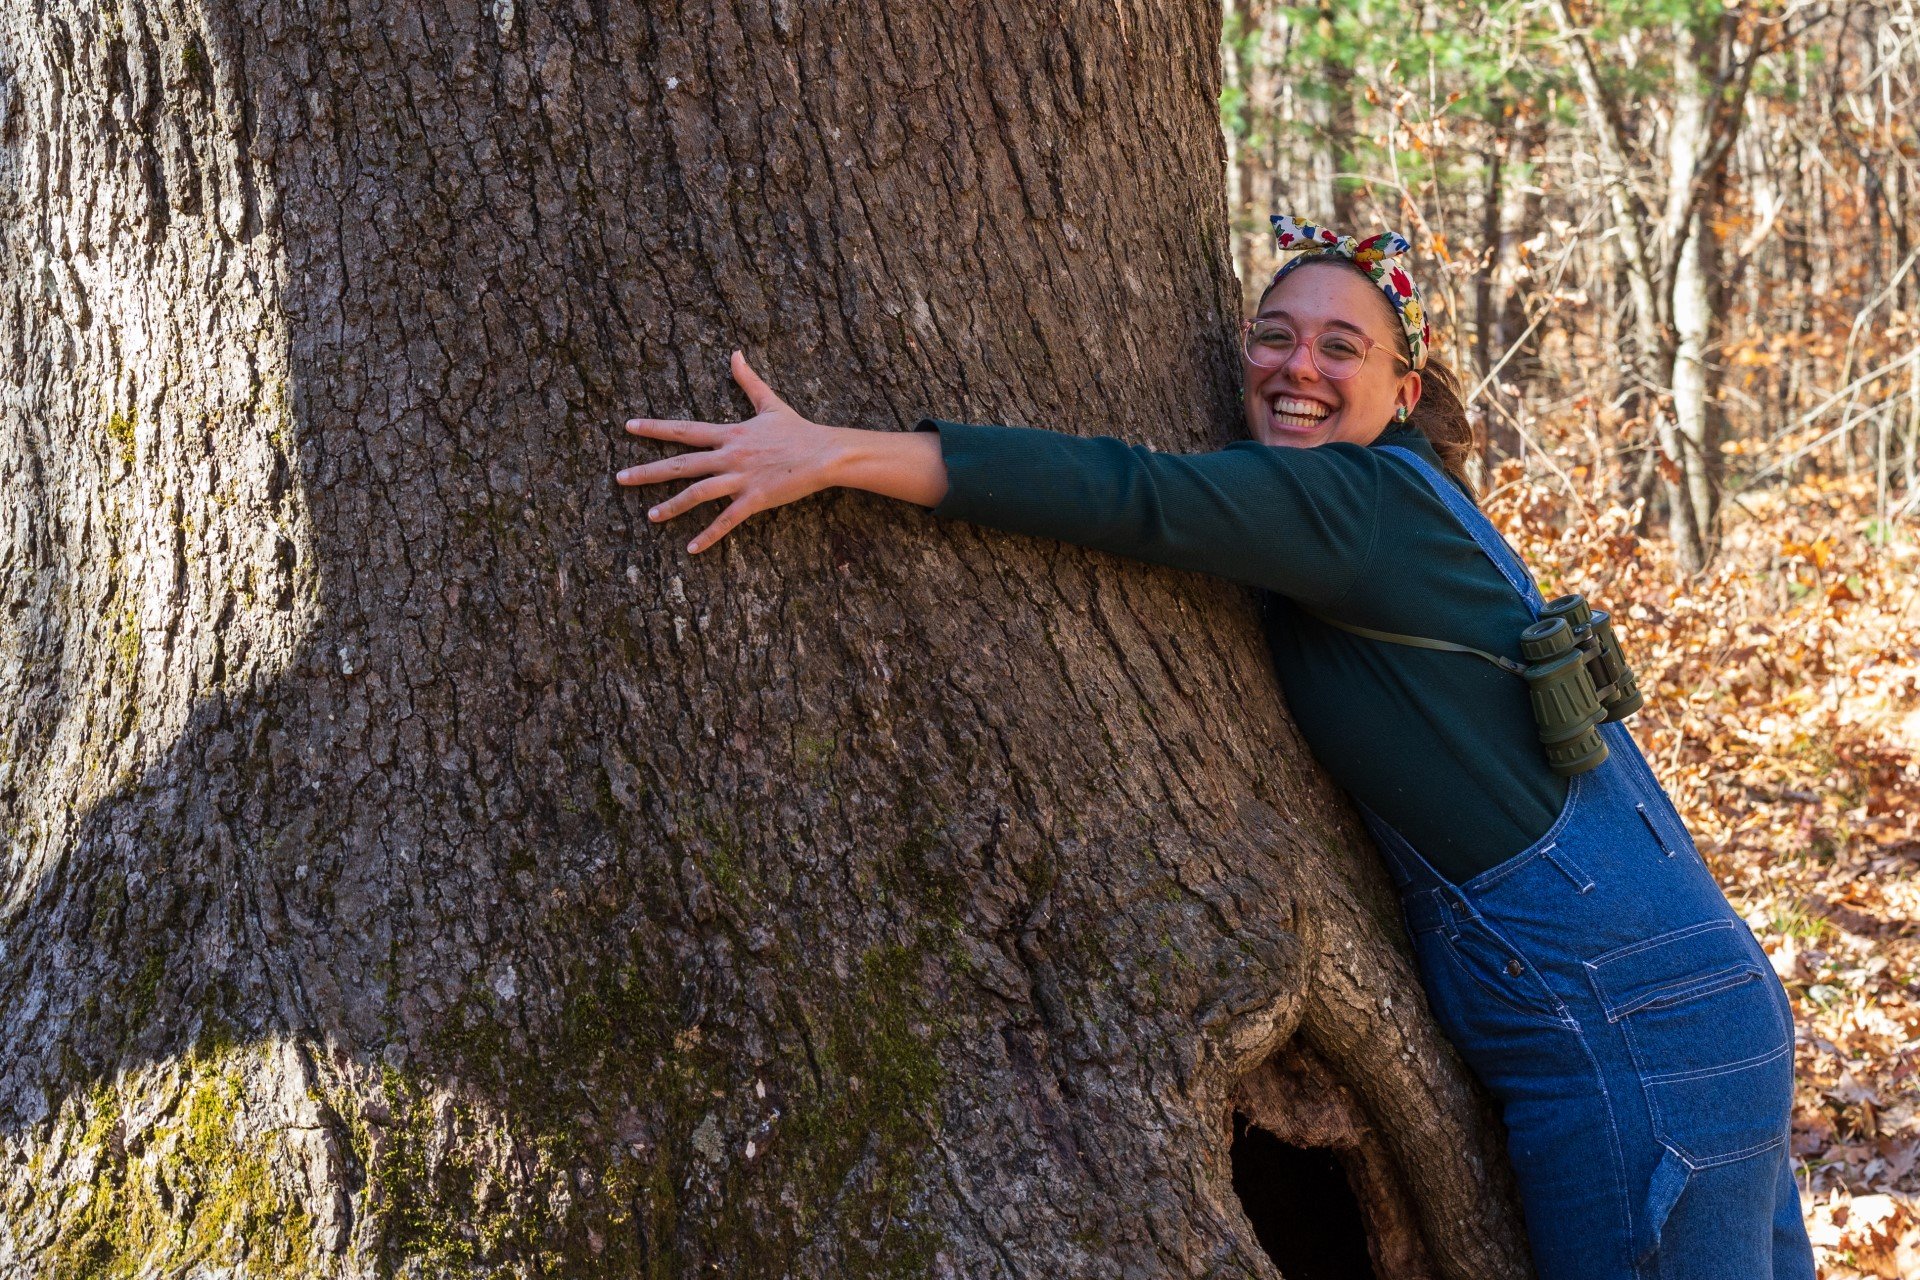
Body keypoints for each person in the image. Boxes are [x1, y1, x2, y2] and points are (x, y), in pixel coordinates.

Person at [615, 214, 1817, 1280]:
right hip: (1703, 997)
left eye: (1340, 347)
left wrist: (836, 451)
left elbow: (1128, 493)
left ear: (1404, 388)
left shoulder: (1350, 505)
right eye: (1274, 335)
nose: (1297, 366)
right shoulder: (1418, 498)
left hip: (1632, 1039)